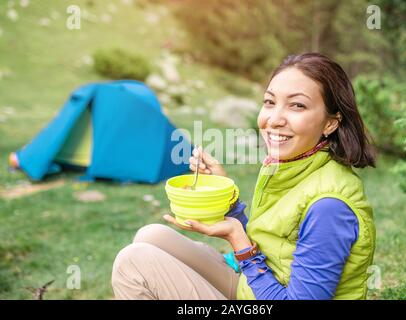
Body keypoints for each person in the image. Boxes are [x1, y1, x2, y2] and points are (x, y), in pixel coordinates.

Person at [111, 53, 377, 300]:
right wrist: (227, 199)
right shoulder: (295, 165)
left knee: (132, 262)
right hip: (257, 287)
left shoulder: (329, 207)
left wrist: (240, 243)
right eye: (270, 102)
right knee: (151, 235)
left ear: (330, 122)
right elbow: (275, 244)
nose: (274, 119)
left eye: (297, 106)